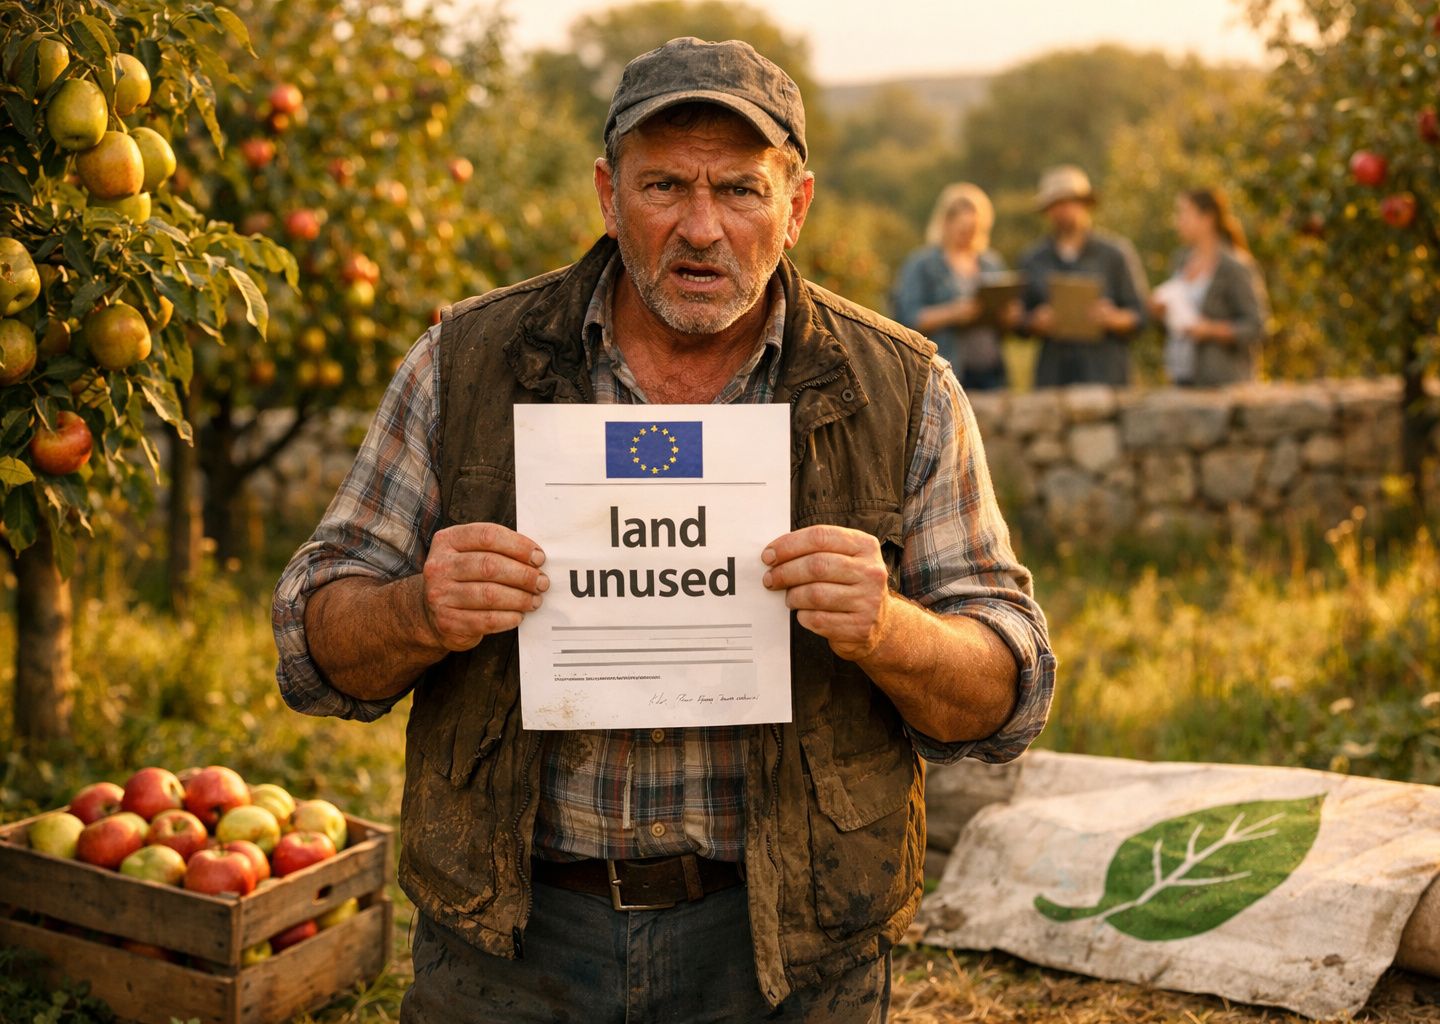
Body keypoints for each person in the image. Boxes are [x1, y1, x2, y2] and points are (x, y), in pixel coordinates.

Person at [271, 36, 1054, 1024]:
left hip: (787, 957)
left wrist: (890, 628)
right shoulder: (464, 362)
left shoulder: (904, 390)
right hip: (514, 953)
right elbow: (311, 648)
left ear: (796, 205)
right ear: (607, 193)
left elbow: (1008, 693)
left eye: (738, 190)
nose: (701, 228)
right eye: (664, 186)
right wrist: (418, 608)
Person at [1016, 165, 1149, 388]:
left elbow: (1141, 315)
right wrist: (1034, 322)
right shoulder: (1032, 259)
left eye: (1069, 202)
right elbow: (1019, 322)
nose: (1063, 211)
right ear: (1047, 210)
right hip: (1053, 377)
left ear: (1085, 205)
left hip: (1107, 375)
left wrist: (1113, 318)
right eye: (1056, 204)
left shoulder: (1116, 254)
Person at [890, 182, 1012, 390]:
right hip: (943, 374)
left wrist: (1008, 315)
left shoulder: (991, 263)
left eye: (974, 230)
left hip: (991, 372)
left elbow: (1006, 326)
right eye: (964, 230)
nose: (969, 236)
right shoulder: (922, 264)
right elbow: (908, 318)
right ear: (945, 223)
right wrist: (953, 313)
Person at [1150, 188, 1269, 387]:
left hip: (1222, 383)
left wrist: (1211, 330)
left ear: (1207, 218)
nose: (1178, 221)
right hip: (1182, 378)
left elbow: (1256, 327)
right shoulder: (1180, 260)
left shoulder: (1235, 267)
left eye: (1184, 213)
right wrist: (1161, 313)